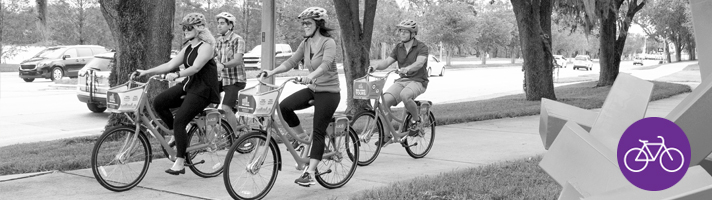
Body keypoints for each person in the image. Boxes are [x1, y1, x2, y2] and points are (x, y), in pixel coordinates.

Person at [260, 7, 338, 187]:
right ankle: (303, 140)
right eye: (303, 23)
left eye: (308, 23)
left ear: (319, 24)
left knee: (318, 131)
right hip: (313, 89)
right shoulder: (306, 43)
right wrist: (271, 71)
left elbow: (326, 65)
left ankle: (310, 173)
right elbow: (291, 62)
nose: (304, 26)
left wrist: (310, 76)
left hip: (329, 91)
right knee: (285, 106)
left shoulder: (329, 42)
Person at [135, 13, 219, 175]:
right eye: (184, 28)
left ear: (199, 28)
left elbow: (195, 68)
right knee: (159, 102)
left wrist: (177, 75)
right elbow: (170, 64)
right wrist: (146, 71)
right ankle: (176, 133)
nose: (185, 31)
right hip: (189, 85)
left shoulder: (206, 47)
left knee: (180, 120)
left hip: (203, 90)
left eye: (189, 28)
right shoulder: (188, 47)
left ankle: (180, 161)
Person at [369, 19, 429, 146]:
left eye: (405, 32)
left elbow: (420, 63)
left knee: (405, 95)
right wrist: (375, 67)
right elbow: (386, 62)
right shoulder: (398, 47)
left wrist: (408, 68)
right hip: (402, 80)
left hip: (418, 81)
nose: (402, 34)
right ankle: (386, 136)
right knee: (384, 102)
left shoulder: (422, 47)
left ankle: (417, 121)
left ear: (413, 34)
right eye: (400, 31)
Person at [214, 12, 247, 132]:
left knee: (226, 108)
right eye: (218, 23)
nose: (219, 26)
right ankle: (210, 138)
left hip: (236, 80)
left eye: (222, 23)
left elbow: (237, 60)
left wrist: (222, 65)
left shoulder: (238, 40)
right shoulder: (218, 41)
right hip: (222, 79)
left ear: (230, 25)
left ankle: (233, 137)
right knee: (207, 102)